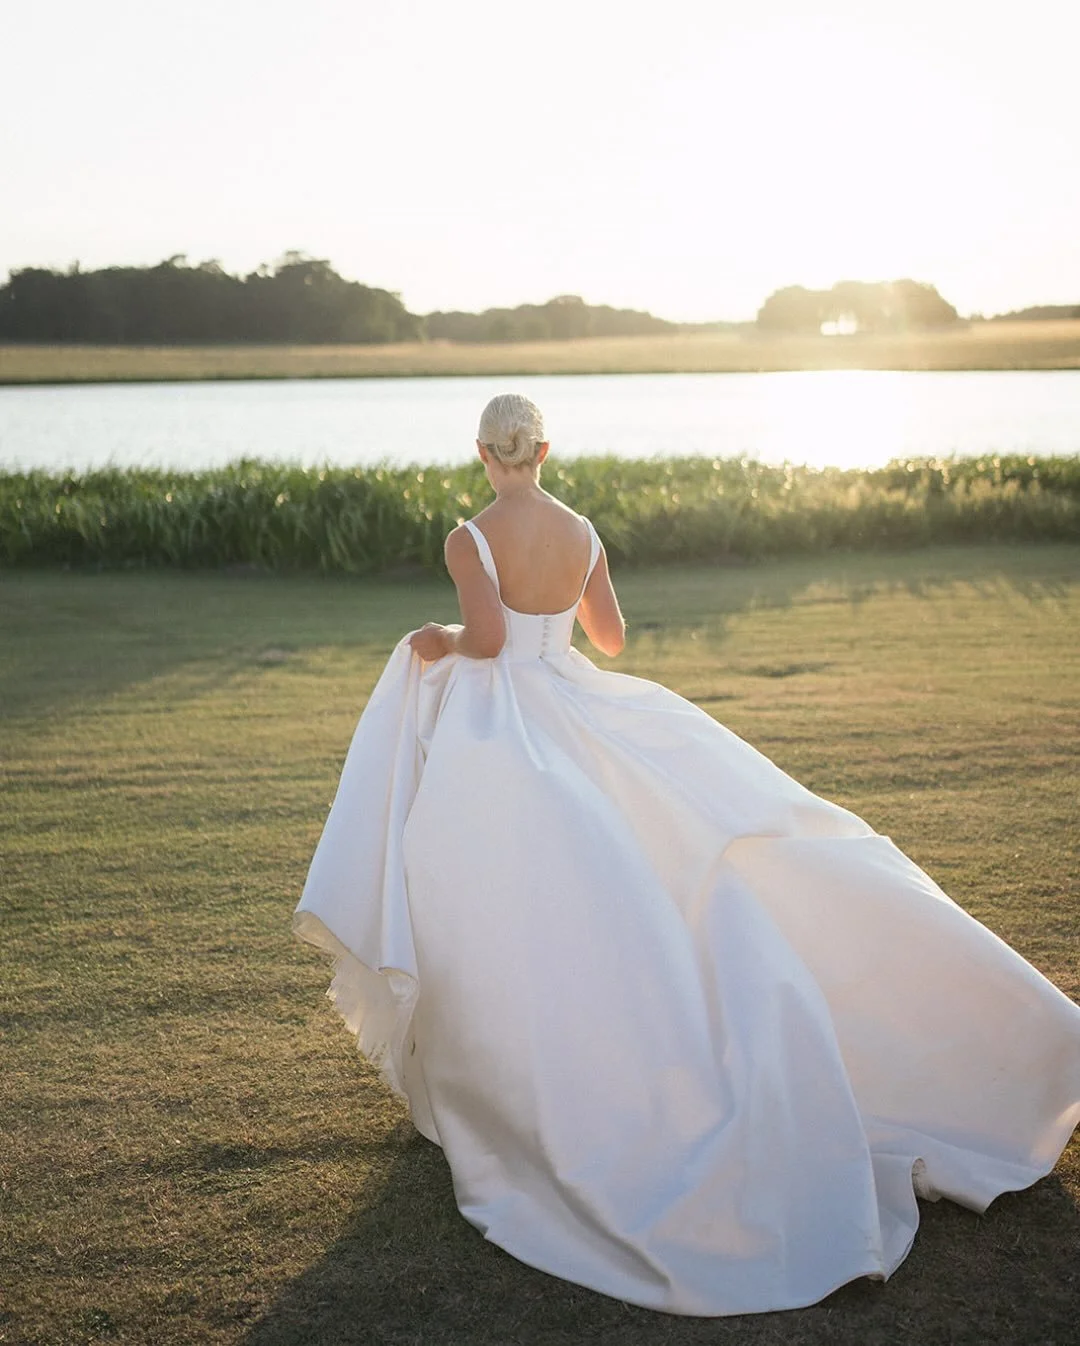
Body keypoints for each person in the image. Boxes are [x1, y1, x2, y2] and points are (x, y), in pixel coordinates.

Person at [294, 393, 1080, 1317]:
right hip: (575, 703)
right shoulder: (582, 529)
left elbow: (492, 641)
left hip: (503, 725)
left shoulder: (468, 537)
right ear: (546, 447)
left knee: (494, 892)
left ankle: (507, 1079)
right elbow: (612, 639)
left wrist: (439, 637)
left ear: (481, 452)